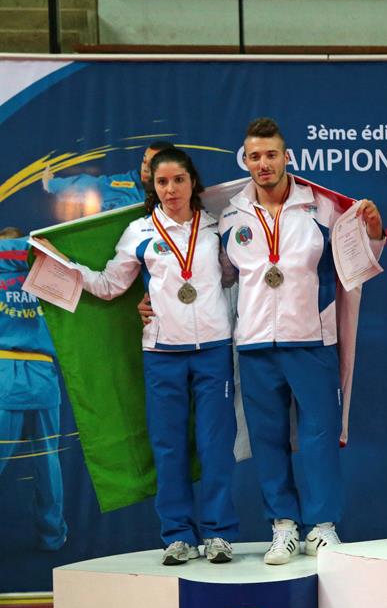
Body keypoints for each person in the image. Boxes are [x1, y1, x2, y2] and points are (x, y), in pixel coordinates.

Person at [37, 147, 238, 565]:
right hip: (162, 354)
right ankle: (178, 536)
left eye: (178, 180)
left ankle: (219, 533)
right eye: (162, 182)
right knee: (168, 447)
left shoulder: (216, 226)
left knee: (216, 446)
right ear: (153, 186)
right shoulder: (139, 231)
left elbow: (232, 276)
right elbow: (109, 286)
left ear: (192, 182)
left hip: (214, 351)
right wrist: (63, 264)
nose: (171, 189)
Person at [218, 117, 386, 565]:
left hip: (312, 340)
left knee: (318, 437)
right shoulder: (231, 215)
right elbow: (218, 277)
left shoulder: (323, 208)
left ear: (287, 157)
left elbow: (357, 265)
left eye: (271, 154)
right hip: (255, 343)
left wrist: (373, 233)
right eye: (255, 156)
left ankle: (323, 527)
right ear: (246, 160)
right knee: (267, 439)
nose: (264, 163)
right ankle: (283, 526)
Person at [0, 228, 67, 551]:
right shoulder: (48, 266)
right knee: (48, 461)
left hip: (6, 375)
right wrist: (38, 248)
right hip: (43, 375)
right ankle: (53, 537)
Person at [42, 141, 173, 213]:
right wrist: (52, 184)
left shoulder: (180, 196)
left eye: (153, 163)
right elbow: (91, 185)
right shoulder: (127, 186)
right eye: (144, 161)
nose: (145, 167)